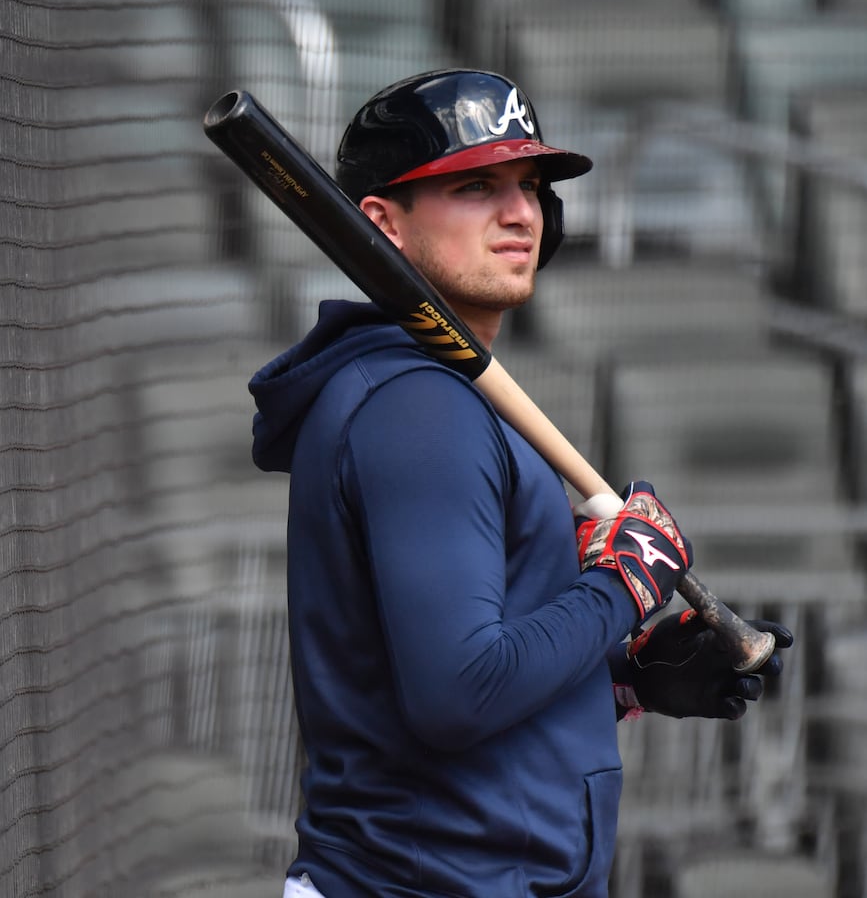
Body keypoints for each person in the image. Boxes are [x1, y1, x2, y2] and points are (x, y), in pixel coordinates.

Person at [248, 69, 793, 898]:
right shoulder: (416, 409)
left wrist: (619, 676)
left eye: (530, 187)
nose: (520, 213)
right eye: (474, 187)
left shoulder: (432, 396)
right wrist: (623, 581)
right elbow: (458, 693)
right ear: (380, 226)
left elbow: (443, 687)